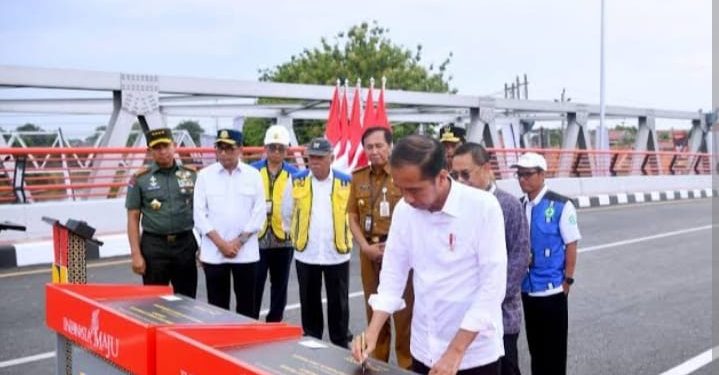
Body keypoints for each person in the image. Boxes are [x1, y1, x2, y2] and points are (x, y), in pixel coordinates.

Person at [352, 135, 507, 375]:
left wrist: (454, 353)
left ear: (442, 177)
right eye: (401, 189)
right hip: (424, 348)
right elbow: (393, 276)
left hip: (472, 355)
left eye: (415, 190)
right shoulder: (405, 210)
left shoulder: (483, 207)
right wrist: (371, 333)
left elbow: (492, 288)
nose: (407, 198)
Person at [452, 143, 530, 375]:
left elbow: (520, 257)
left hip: (501, 315)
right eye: (455, 175)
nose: (460, 181)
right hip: (465, 315)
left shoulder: (508, 205)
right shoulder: (457, 204)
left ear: (486, 168)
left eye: (466, 174)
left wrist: (488, 299)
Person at [347, 126, 413, 369]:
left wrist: (394, 247)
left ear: (390, 145)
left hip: (399, 254)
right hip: (369, 253)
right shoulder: (359, 176)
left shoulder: (403, 174)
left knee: (404, 316)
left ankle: (407, 367)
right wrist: (364, 247)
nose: (373, 151)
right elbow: (352, 216)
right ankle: (376, 364)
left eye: (379, 146)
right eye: (369, 147)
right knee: (374, 311)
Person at [512, 152, 581, 375]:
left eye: (528, 174)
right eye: (519, 174)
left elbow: (571, 244)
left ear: (542, 174)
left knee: (554, 352)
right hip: (527, 290)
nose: (523, 179)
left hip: (552, 290)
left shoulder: (560, 205)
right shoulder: (519, 206)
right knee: (536, 350)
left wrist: (567, 281)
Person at [283, 137, 353, 348]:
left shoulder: (346, 181)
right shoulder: (296, 180)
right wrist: (296, 235)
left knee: (339, 304)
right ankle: (313, 342)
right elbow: (286, 212)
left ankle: (340, 344)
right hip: (307, 253)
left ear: (331, 158)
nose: (314, 162)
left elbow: (353, 215)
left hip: (337, 253)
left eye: (320, 158)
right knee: (309, 301)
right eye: (311, 158)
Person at [193, 129, 266, 318]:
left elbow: (259, 214)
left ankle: (248, 346)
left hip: (245, 252)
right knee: (217, 308)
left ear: (240, 149)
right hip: (214, 253)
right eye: (220, 148)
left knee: (247, 308)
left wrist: (237, 243)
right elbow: (199, 215)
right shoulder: (204, 176)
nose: (224, 153)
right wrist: (222, 244)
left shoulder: (253, 175)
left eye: (229, 148)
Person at [126, 128, 198, 298]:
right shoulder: (139, 179)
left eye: (166, 146)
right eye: (157, 148)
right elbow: (133, 217)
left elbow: (203, 212)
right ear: (149, 151)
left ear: (174, 146)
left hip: (185, 244)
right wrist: (136, 255)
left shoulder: (191, 175)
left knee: (187, 301)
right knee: (154, 302)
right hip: (154, 247)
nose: (163, 151)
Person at [251, 125, 298, 322]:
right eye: (272, 147)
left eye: (281, 148)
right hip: (257, 238)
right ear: (265, 148)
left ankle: (275, 321)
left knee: (280, 285)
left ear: (286, 150)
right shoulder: (252, 171)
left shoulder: (294, 174)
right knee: (254, 283)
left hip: (283, 239)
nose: (276, 152)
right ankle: (251, 320)